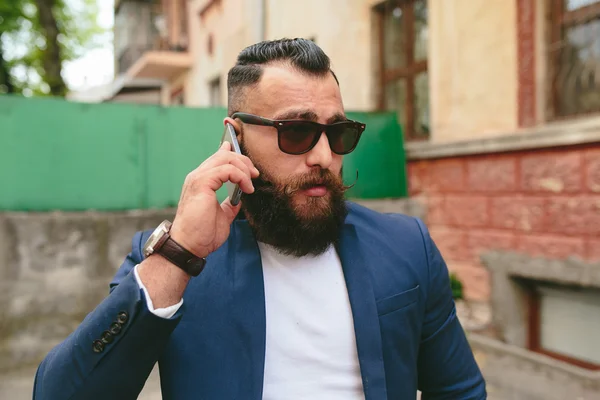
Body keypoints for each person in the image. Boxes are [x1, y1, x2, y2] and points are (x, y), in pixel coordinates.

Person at [33, 38, 486, 400]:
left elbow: (459, 389)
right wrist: (179, 256)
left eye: (339, 133)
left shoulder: (405, 245)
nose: (324, 156)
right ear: (235, 135)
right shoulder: (177, 260)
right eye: (297, 131)